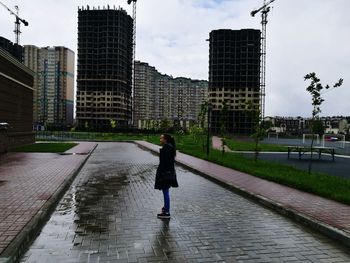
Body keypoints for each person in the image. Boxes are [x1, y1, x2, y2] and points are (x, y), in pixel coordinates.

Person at [155, 134, 178, 219]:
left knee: (165, 192)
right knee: (166, 191)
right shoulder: (169, 147)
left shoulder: (167, 148)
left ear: (165, 139)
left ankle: (167, 212)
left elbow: (164, 163)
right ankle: (165, 209)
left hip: (166, 174)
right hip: (168, 173)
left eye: (161, 138)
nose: (160, 139)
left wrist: (161, 174)